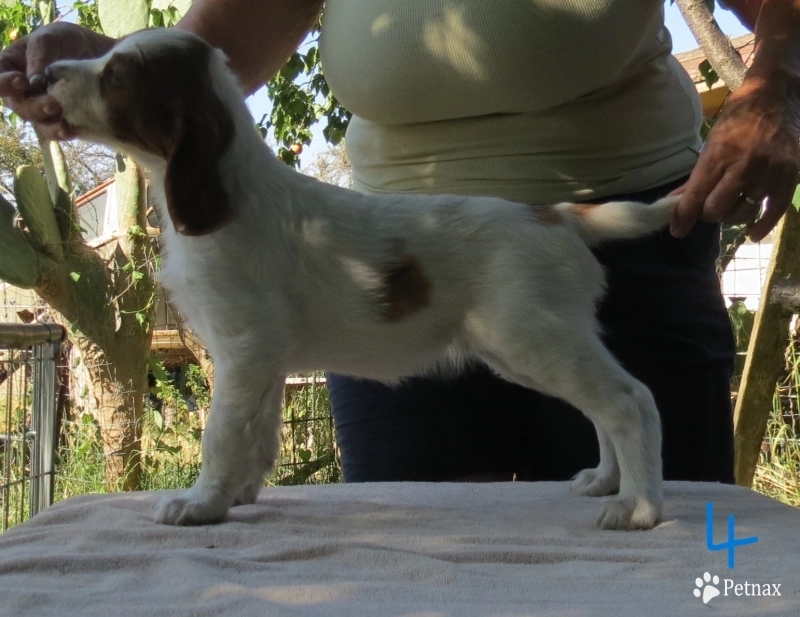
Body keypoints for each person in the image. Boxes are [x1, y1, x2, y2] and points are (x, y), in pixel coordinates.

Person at [2, 1, 798, 484]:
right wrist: (103, 69)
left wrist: (778, 87)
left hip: (626, 239)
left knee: (663, 566)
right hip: (381, 269)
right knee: (417, 572)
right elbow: (216, 51)